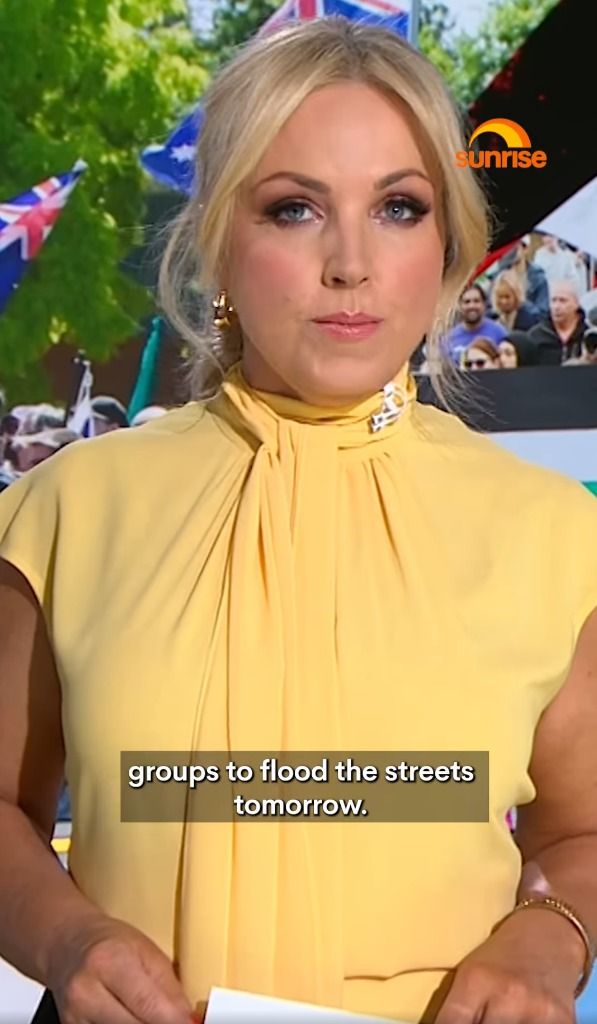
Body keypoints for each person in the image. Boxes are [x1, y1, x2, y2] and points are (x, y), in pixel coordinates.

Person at [1, 18, 597, 1024]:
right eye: (294, 208)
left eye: (399, 207)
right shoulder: (68, 513)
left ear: (445, 243)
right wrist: (67, 939)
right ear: (219, 245)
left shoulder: (551, 535)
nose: (350, 263)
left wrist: (548, 942)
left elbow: (582, 835)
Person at [443, 284, 507, 365]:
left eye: (476, 301)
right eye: (467, 302)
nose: (471, 306)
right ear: (459, 306)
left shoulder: (499, 333)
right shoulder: (448, 339)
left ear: (484, 304)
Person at [529, 280, 588, 364]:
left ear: (576, 304)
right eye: (553, 300)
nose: (556, 306)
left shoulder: (588, 335)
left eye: (563, 301)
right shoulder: (535, 336)